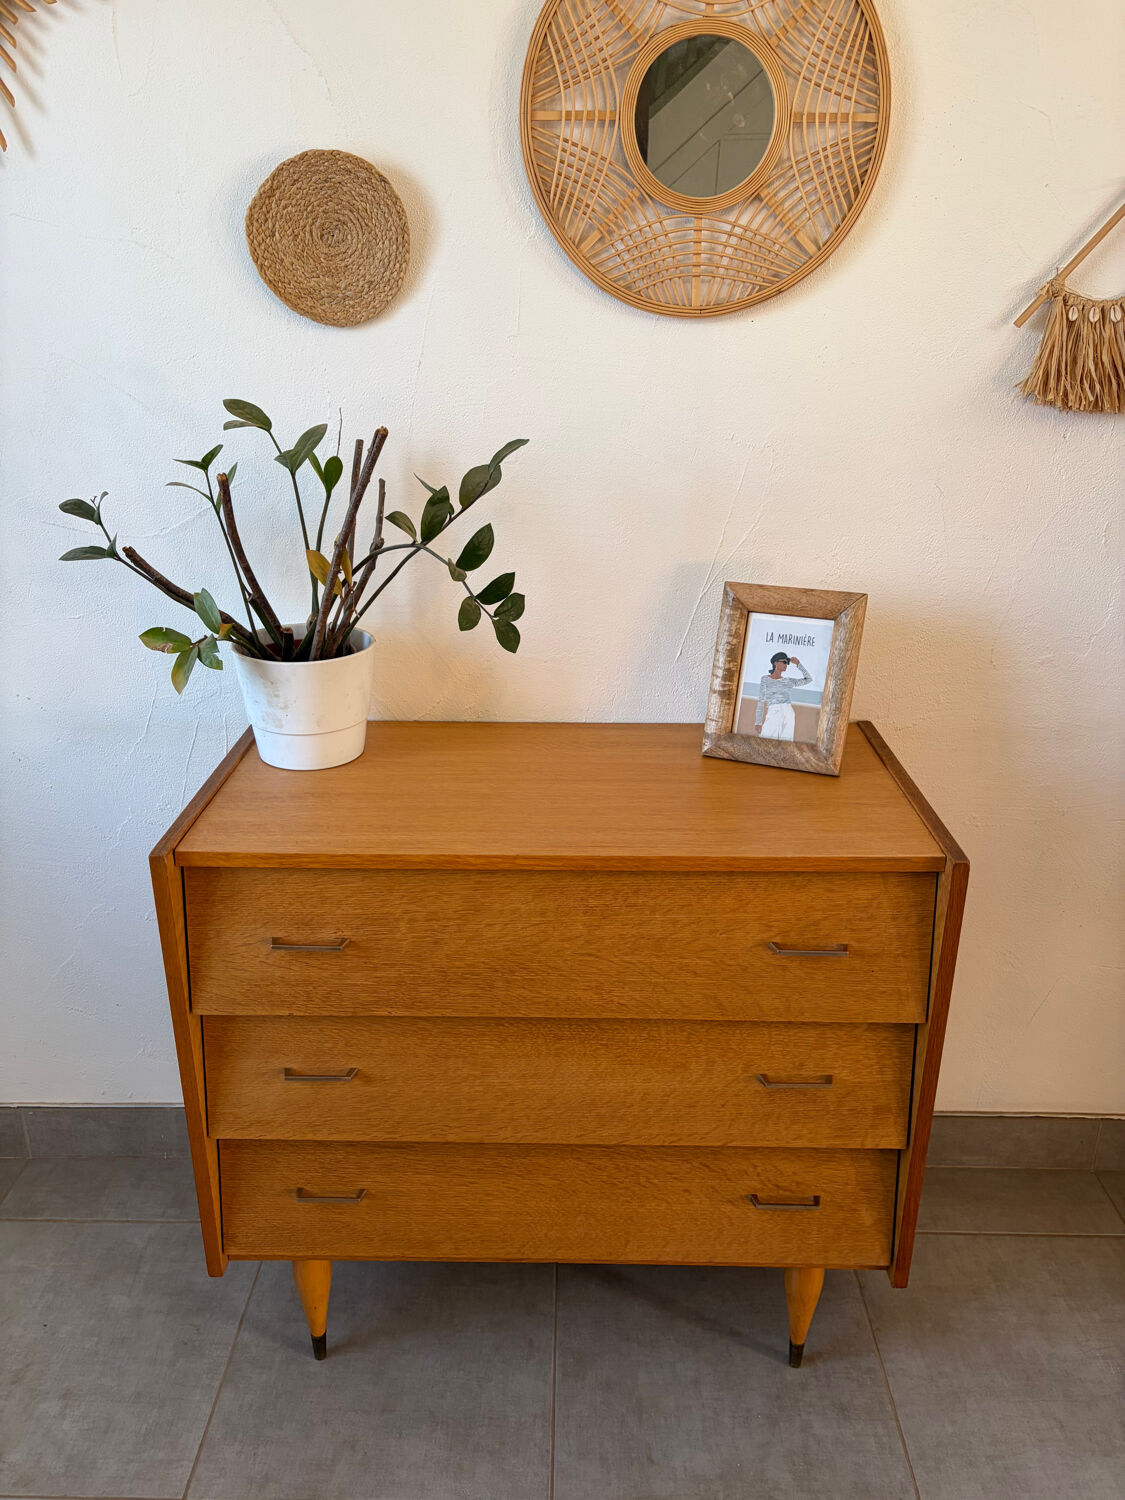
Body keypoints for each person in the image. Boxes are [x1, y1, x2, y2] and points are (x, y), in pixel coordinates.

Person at [754, 652, 812, 740]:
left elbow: (809, 679)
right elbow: (761, 701)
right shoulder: (765, 679)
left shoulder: (788, 681)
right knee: (765, 741)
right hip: (773, 711)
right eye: (784, 662)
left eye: (788, 663)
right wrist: (758, 722)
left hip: (788, 711)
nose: (786, 665)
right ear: (775, 663)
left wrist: (798, 664)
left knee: (786, 742)